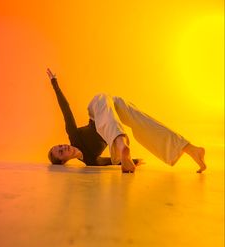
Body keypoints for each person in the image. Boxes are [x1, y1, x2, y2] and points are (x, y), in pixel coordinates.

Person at [47, 68, 206, 173]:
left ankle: (122, 143)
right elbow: (111, 161)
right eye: (61, 152)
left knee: (102, 97)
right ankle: (191, 148)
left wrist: (54, 83)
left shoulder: (73, 136)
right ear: (64, 161)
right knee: (141, 120)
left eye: (60, 146)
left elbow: (65, 109)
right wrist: (132, 160)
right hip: (114, 115)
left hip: (98, 110)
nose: (63, 147)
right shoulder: (90, 161)